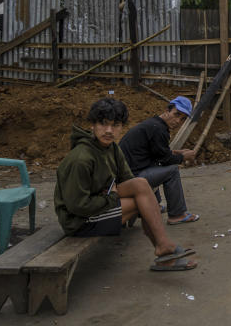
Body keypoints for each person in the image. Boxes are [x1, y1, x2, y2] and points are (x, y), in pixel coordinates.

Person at [54, 98, 197, 271]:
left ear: (122, 127)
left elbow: (129, 180)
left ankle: (163, 247)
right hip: (79, 221)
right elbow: (78, 206)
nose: (109, 130)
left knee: (141, 185)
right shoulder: (81, 158)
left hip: (100, 201)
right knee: (142, 201)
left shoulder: (111, 149)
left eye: (115, 125)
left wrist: (116, 194)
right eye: (103, 124)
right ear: (92, 125)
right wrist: (112, 197)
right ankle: (164, 250)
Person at [119, 96, 200, 225]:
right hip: (132, 178)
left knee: (157, 168)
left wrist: (177, 152)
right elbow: (165, 160)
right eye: (176, 114)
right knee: (172, 170)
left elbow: (158, 152)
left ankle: (153, 205)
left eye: (182, 118)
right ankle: (177, 214)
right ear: (167, 110)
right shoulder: (158, 129)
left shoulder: (154, 124)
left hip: (129, 173)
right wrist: (183, 157)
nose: (178, 121)